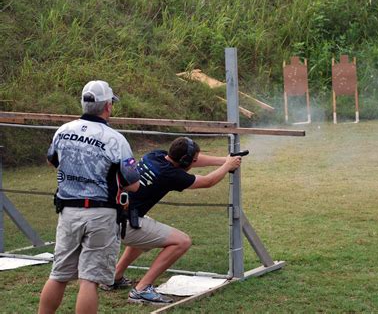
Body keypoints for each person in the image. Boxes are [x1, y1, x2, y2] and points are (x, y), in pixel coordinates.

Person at [38, 80, 140, 314]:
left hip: (68, 211)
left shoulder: (63, 131)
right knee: (89, 280)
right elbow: (133, 184)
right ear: (107, 107)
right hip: (101, 214)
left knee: (59, 274)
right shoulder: (115, 139)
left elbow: (52, 160)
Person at [100, 137, 242, 305]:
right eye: (193, 159)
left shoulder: (155, 155)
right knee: (182, 241)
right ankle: (142, 290)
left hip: (112, 215)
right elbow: (208, 181)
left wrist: (224, 159)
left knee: (145, 229)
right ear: (185, 160)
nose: (195, 161)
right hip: (120, 223)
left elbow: (192, 160)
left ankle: (114, 277)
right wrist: (227, 166)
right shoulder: (171, 175)